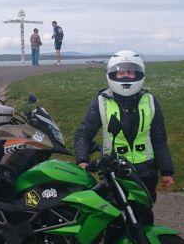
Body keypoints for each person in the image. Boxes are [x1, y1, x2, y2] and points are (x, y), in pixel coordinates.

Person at [74, 50, 174, 224]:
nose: (126, 76)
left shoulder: (149, 101)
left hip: (146, 171)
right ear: (113, 74)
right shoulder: (101, 101)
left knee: (143, 215)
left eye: (130, 71)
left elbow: (159, 138)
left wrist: (167, 171)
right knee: (115, 219)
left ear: (138, 74)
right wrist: (82, 159)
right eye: (121, 72)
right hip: (113, 171)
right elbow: (84, 132)